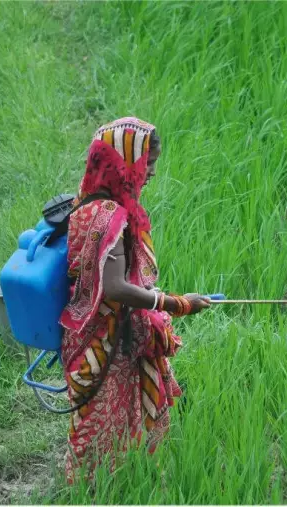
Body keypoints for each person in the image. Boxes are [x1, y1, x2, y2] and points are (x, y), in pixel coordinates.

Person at [59, 117, 211, 482]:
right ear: (124, 162)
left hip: (91, 332)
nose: (152, 172)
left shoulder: (88, 201)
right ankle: (95, 489)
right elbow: (113, 287)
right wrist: (174, 303)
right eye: (148, 163)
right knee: (104, 422)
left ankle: (116, 482)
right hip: (107, 340)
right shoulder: (111, 215)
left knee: (108, 421)